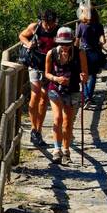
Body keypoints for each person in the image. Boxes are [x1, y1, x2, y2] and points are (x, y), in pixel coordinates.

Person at [45, 26, 88, 165]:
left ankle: (66, 150)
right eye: (62, 43)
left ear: (72, 42)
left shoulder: (80, 53)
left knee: (68, 123)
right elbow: (47, 74)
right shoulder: (51, 54)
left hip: (73, 90)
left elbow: (85, 75)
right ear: (58, 42)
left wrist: (83, 77)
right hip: (55, 89)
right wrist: (57, 79)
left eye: (68, 44)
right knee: (57, 118)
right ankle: (56, 150)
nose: (65, 46)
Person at [19, 10, 60, 146]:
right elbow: (22, 36)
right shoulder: (34, 27)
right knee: (35, 96)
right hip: (35, 65)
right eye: (46, 23)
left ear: (55, 21)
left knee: (43, 100)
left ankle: (38, 131)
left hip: (50, 68)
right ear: (41, 21)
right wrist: (28, 44)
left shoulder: (58, 31)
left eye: (51, 23)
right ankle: (33, 128)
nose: (48, 26)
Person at [76, 5, 107, 106]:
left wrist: (75, 52)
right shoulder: (99, 25)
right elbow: (103, 40)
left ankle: (86, 96)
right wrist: (100, 44)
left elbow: (77, 41)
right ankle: (89, 96)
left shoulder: (81, 25)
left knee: (84, 74)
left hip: (83, 52)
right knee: (93, 75)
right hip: (95, 52)